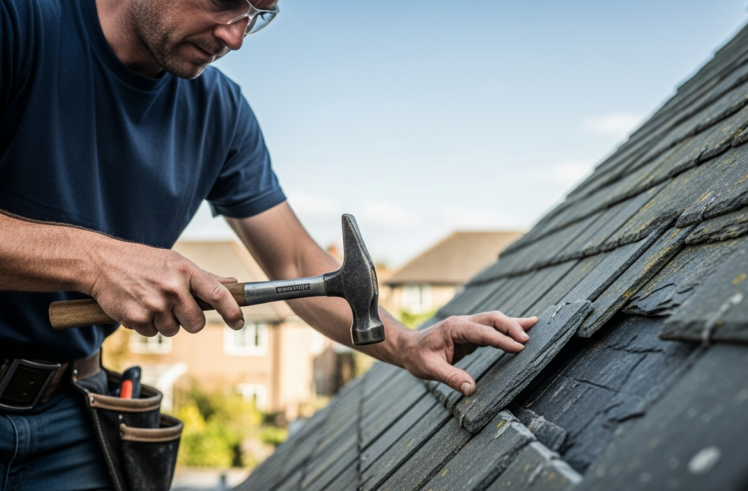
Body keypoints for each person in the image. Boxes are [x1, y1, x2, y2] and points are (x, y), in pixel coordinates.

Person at [0, 0, 537, 488]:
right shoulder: (22, 22)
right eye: (226, 3)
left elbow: (295, 261)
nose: (235, 38)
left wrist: (408, 345)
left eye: (258, 14)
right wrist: (99, 261)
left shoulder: (220, 113)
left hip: (75, 413)